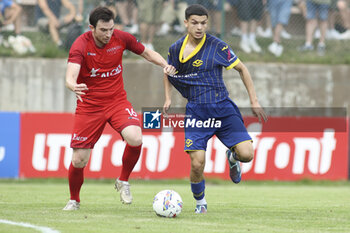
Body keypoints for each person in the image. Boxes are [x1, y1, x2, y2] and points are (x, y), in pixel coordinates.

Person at [63, 6, 175, 211]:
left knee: (136, 137)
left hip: (116, 101)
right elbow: (71, 74)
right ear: (91, 28)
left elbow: (147, 53)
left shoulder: (121, 38)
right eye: (103, 30)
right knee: (79, 159)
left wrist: (164, 64)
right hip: (89, 106)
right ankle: (74, 200)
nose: (108, 34)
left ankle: (123, 180)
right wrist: (73, 85)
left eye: (111, 29)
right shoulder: (80, 45)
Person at [163, 4, 267, 214]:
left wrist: (254, 100)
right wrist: (167, 98)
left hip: (223, 109)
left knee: (247, 154)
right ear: (186, 23)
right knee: (197, 163)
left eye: (203, 23)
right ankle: (200, 202)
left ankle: (233, 157)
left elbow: (242, 69)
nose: (199, 27)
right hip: (197, 112)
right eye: (195, 23)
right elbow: (168, 71)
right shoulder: (176, 49)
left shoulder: (217, 46)